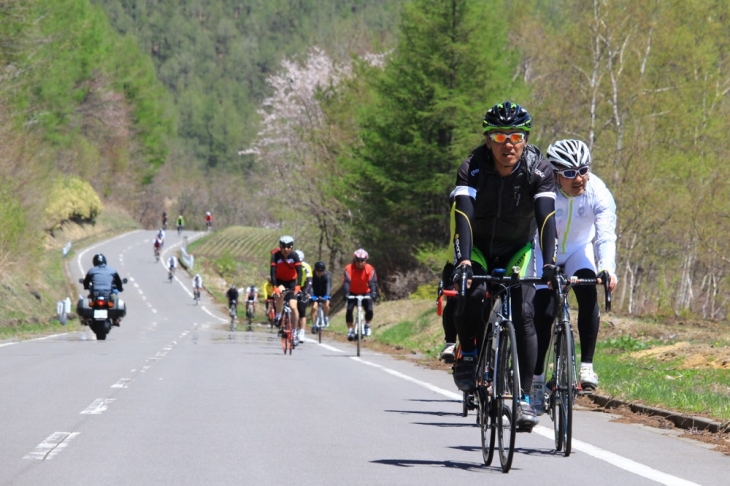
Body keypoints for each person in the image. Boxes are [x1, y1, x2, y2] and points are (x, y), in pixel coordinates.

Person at [450, 101, 558, 431]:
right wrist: (465, 259)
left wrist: (550, 262)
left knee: (524, 314)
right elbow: (463, 215)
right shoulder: (473, 166)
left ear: (525, 139)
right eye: (499, 137)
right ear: (487, 140)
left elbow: (546, 219)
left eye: (515, 136)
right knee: (472, 289)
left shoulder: (539, 168)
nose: (508, 144)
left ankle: (524, 398)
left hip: (517, 248)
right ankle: (469, 352)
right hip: (478, 246)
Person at [530, 139, 618, 413]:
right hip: (544, 252)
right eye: (569, 173)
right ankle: (536, 380)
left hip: (579, 250)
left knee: (589, 291)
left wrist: (607, 266)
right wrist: (548, 266)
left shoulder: (598, 192)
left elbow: (605, 234)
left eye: (583, 170)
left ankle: (587, 367)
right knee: (543, 314)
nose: (578, 178)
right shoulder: (544, 190)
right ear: (556, 173)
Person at [270, 235, 302, 341]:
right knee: (281, 292)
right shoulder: (275, 255)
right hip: (280, 281)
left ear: (291, 247)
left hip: (292, 282)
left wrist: (298, 285)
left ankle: (295, 331)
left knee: (293, 307)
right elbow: (273, 272)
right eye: (283, 246)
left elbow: (299, 272)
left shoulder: (295, 256)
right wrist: (274, 286)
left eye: (288, 246)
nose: (286, 249)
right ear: (280, 246)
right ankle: (278, 315)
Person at [343, 249, 377, 341]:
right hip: (352, 292)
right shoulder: (348, 268)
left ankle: (367, 325)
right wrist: (346, 293)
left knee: (369, 310)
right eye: (357, 260)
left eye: (362, 260)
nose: (360, 262)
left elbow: (372, 283)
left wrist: (373, 293)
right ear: (354, 260)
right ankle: (350, 330)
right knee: (349, 310)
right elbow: (346, 282)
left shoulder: (370, 269)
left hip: (366, 292)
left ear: (365, 261)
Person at [82, 253, 125, 326]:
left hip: (95, 295)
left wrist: (86, 287)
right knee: (115, 300)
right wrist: (120, 288)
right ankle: (116, 319)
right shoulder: (112, 270)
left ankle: (86, 318)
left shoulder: (91, 271)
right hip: (108, 294)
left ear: (94, 262)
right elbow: (119, 283)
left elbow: (86, 283)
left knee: (88, 301)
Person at [294, 250, 313, 342]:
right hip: (291, 286)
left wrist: (305, 291)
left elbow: (309, 280)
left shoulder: (306, 266)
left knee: (302, 310)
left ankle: (302, 332)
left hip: (302, 287)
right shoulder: (289, 264)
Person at [310, 261, 332, 332]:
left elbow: (328, 286)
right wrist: (311, 295)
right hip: (315, 294)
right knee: (314, 307)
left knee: (327, 304)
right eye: (318, 271)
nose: (319, 272)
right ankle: (314, 324)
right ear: (315, 270)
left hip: (324, 294)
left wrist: (327, 295)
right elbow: (310, 286)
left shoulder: (327, 276)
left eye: (321, 271)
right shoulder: (312, 275)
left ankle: (325, 317)